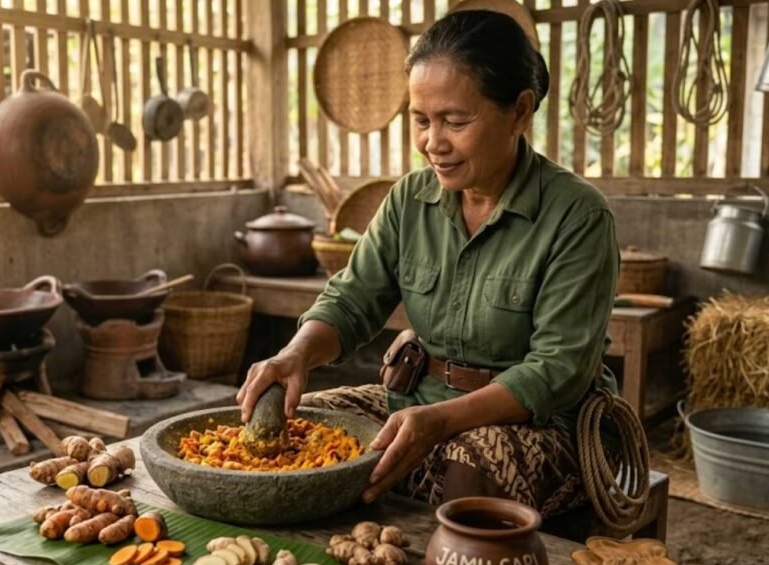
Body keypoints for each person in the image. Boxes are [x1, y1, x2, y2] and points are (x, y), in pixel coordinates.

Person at [237, 9, 620, 518]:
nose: (433, 143)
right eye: (421, 120)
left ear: (521, 111)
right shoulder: (409, 199)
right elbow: (352, 300)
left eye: (455, 122)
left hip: (541, 426)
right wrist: (296, 354)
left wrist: (440, 421)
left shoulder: (577, 215)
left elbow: (558, 370)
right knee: (298, 433)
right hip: (415, 399)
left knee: (468, 473)